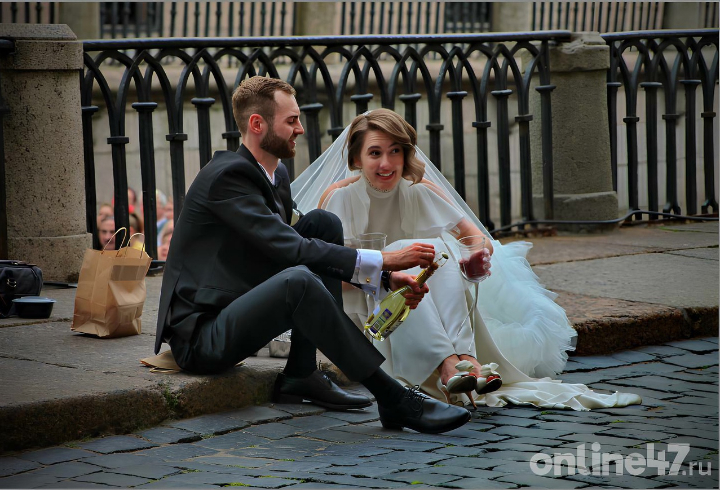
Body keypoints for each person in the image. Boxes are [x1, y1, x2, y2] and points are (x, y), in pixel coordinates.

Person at [155, 77, 472, 434]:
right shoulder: (228, 178)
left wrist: (382, 281)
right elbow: (289, 249)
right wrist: (384, 261)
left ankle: (302, 372)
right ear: (257, 124)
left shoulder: (274, 174)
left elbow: (305, 240)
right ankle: (394, 399)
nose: (300, 129)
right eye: (291, 120)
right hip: (203, 337)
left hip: (236, 307)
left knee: (322, 223)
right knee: (298, 280)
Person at [292, 109, 642, 411]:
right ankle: (450, 365)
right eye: (375, 153)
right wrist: (386, 269)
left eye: (395, 151)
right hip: (367, 311)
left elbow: (474, 236)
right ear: (355, 160)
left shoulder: (420, 190)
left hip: (426, 303)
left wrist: (476, 256)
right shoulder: (337, 199)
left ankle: (463, 361)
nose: (386, 164)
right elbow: (325, 274)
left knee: (436, 251)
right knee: (409, 248)